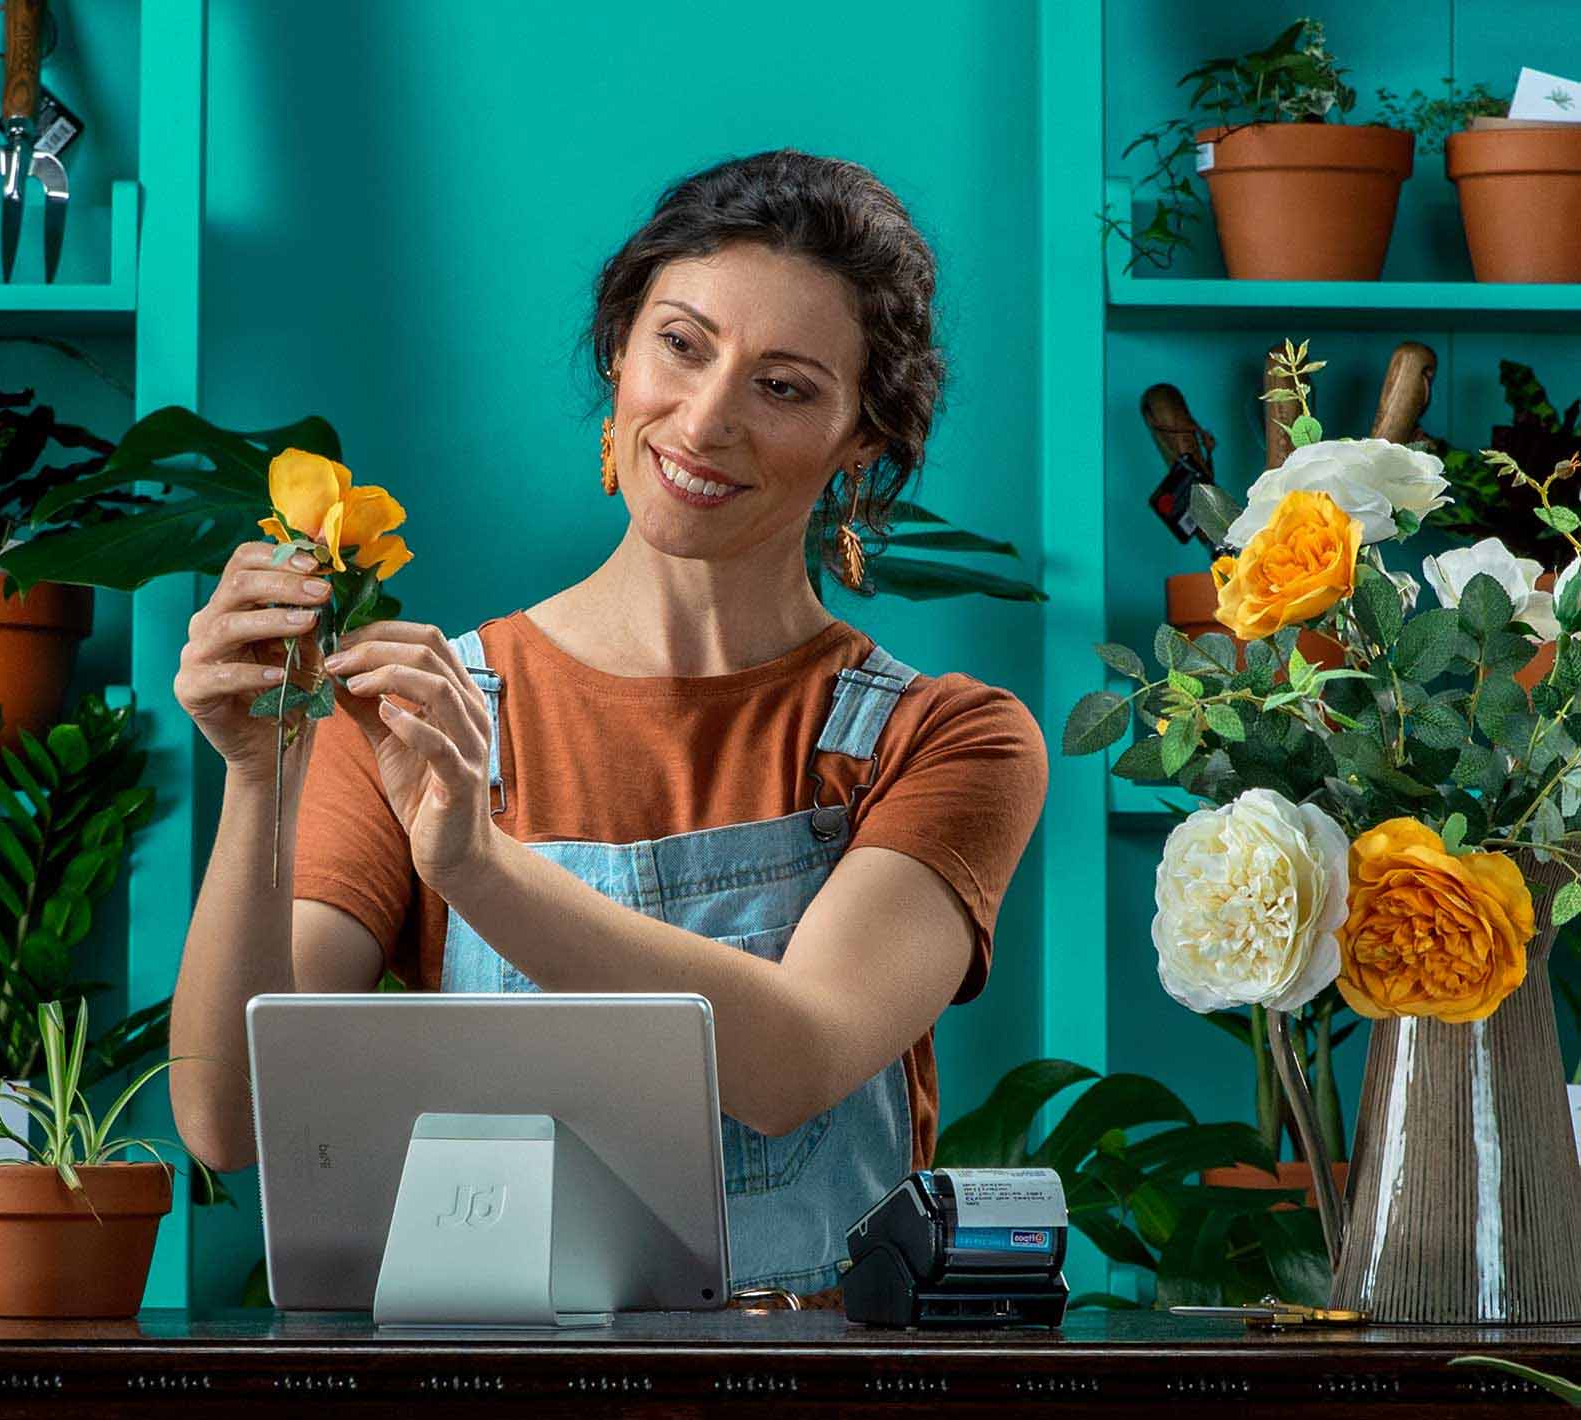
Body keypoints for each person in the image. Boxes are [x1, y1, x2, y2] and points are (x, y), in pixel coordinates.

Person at [169, 148, 1048, 1301]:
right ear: (619, 348)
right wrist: (254, 779)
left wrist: (474, 866)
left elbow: (792, 1062)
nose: (706, 418)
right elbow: (229, 1120)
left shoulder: (948, 740)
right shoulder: (418, 711)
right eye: (681, 345)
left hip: (811, 1383)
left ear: (861, 441)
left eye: (783, 387)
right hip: (497, 1381)